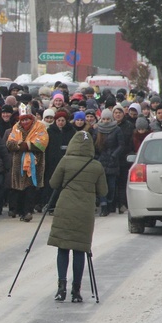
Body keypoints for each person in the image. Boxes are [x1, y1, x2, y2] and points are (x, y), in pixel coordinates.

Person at [47, 131, 108, 302]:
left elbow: (53, 183)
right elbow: (103, 191)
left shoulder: (65, 161)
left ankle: (61, 288)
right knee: (80, 250)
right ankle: (76, 291)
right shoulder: (96, 166)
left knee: (63, 247)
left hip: (65, 208)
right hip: (85, 211)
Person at [6, 107, 49, 222]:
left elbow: (42, 144)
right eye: (23, 120)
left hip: (34, 163)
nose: (25, 122)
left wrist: (26, 146)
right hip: (18, 164)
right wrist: (18, 146)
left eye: (27, 119)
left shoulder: (40, 126)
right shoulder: (16, 128)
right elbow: (10, 143)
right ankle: (20, 210)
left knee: (31, 188)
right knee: (19, 189)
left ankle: (28, 211)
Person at [42, 110, 76, 212]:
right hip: (52, 162)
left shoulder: (71, 131)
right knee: (52, 184)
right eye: (58, 120)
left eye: (62, 120)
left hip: (66, 161)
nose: (60, 122)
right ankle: (51, 204)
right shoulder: (50, 131)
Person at [94, 109, 124, 216]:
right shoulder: (97, 130)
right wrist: (97, 157)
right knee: (102, 186)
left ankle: (111, 204)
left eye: (108, 119)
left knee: (111, 186)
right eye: (104, 119)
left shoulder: (117, 130)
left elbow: (121, 145)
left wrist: (114, 155)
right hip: (101, 162)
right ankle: (104, 206)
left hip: (112, 162)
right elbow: (94, 146)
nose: (106, 121)